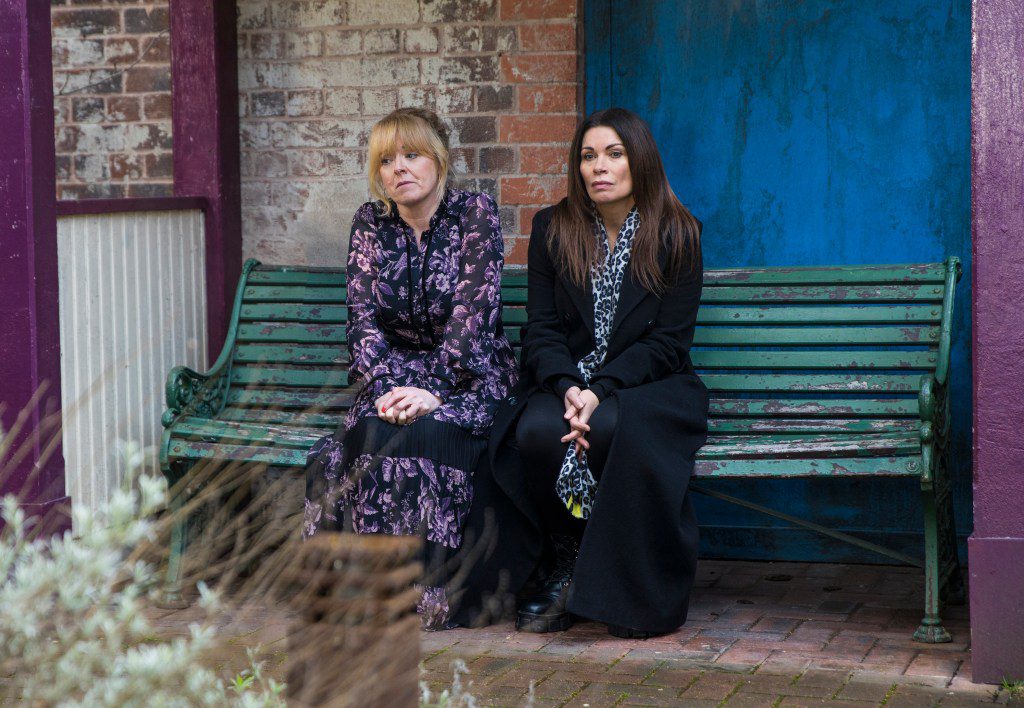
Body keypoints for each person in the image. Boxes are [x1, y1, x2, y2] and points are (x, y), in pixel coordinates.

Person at [449, 107, 707, 638]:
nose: (599, 167)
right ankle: (566, 556)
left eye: (614, 154)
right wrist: (570, 387)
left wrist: (602, 390)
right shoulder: (554, 227)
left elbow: (668, 342)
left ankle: (604, 579)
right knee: (538, 430)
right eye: (588, 156)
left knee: (612, 428)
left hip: (647, 385)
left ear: (640, 162)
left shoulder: (679, 233)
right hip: (564, 380)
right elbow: (540, 330)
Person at [303, 107, 517, 630]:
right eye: (386, 160)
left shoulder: (475, 215)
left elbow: (474, 318)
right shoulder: (369, 224)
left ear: (439, 161)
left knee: (431, 432)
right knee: (373, 430)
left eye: (412, 155)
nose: (398, 168)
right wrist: (389, 387)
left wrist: (433, 391)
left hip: (471, 379)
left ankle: (429, 597)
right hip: (391, 385)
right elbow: (362, 324)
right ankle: (380, 590)